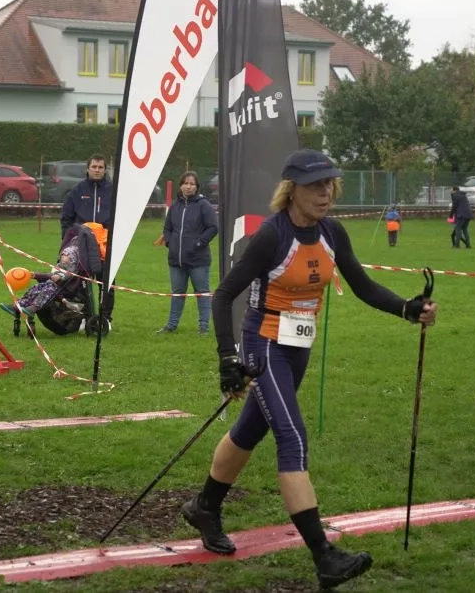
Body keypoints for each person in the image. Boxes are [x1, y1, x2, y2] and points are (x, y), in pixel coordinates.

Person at [180, 148, 437, 591]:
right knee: (292, 437)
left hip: (297, 348)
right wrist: (227, 357)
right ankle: (324, 556)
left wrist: (407, 309)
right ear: (292, 189)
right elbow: (223, 296)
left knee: (249, 431)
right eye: (316, 186)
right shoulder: (272, 236)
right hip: (264, 344)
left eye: (329, 185)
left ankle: (205, 506)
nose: (325, 193)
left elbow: (362, 286)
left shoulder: (332, 232)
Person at [158, 171, 219, 335]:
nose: (188, 186)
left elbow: (213, 227)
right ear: (181, 186)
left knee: (202, 293)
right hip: (176, 261)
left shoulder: (203, 205)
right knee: (177, 293)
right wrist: (170, 243)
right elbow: (167, 228)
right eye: (186, 183)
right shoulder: (174, 206)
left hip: (198, 260)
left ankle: (204, 327)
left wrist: (199, 243)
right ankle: (171, 325)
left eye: (192, 184)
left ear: (197, 187)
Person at [60, 154, 115, 328]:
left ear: (105, 169)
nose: (97, 170)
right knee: (81, 282)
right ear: (88, 168)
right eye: (94, 167)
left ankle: (105, 319)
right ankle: (85, 317)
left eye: (100, 167)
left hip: (105, 244)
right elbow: (66, 218)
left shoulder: (113, 191)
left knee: (106, 282)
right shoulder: (77, 190)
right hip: (82, 244)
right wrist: (68, 240)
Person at [0, 239, 85, 319]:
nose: (64, 257)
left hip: (60, 288)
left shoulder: (72, 272)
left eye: (67, 256)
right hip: (49, 283)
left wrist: (59, 276)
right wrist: (34, 275)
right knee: (34, 290)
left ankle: (33, 308)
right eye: (63, 254)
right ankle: (16, 306)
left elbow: (67, 275)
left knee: (46, 291)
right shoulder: (59, 266)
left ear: (72, 259)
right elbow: (50, 275)